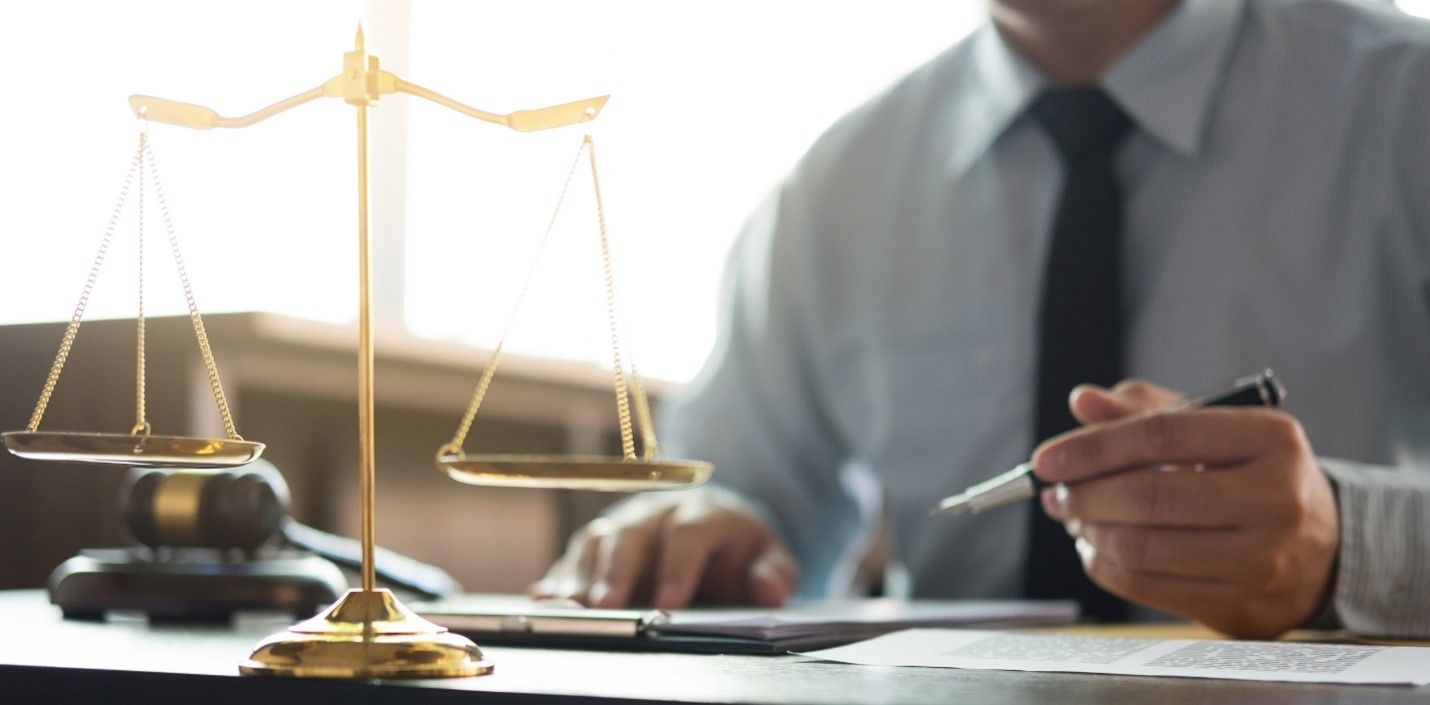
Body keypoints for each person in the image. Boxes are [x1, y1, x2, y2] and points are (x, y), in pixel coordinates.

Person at [533, 0, 1430, 639]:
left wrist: (1349, 547)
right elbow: (750, 501)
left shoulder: (1404, 105)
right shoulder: (839, 184)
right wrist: (705, 531)